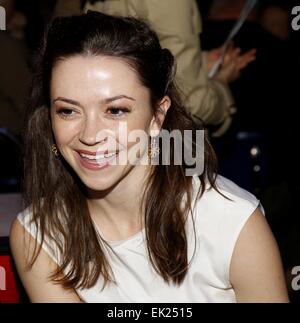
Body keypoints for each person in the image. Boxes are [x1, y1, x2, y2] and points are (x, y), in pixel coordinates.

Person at [10, 11, 288, 303]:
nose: (90, 135)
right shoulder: (39, 236)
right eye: (68, 110)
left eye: (115, 110)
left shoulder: (231, 223)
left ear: (157, 115)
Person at [54, 0, 256, 137]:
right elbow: (189, 104)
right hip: (152, 154)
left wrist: (198, 63)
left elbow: (114, 61)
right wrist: (221, 84)